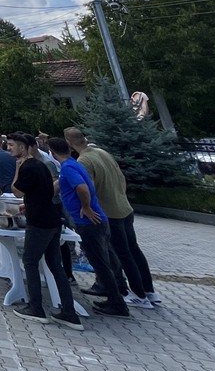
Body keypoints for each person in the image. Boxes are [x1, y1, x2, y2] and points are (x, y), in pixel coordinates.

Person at [64, 126, 156, 308]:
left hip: (107, 212)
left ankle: (139, 295)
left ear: (69, 143)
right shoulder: (101, 152)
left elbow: (85, 188)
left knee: (122, 253)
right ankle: (149, 291)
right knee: (134, 250)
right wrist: (120, 196)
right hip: (124, 208)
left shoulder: (83, 161)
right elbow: (121, 177)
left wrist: (87, 207)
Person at [7, 132, 82, 330]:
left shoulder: (29, 166)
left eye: (11, 145)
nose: (9, 148)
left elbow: (16, 190)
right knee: (55, 265)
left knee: (30, 261)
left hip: (39, 223)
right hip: (52, 220)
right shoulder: (41, 165)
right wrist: (28, 205)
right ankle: (69, 312)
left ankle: (36, 307)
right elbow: (43, 192)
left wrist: (17, 169)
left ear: (22, 148)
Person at [48, 136, 129, 317]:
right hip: (98, 219)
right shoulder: (73, 164)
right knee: (105, 259)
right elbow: (59, 186)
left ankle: (117, 304)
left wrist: (86, 206)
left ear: (52, 153)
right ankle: (116, 293)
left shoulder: (69, 168)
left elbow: (83, 188)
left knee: (100, 263)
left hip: (88, 221)